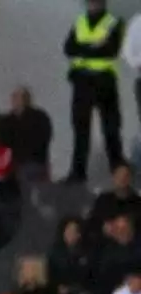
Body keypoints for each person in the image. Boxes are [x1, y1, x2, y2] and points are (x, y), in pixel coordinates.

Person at [64, 0, 125, 183]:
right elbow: (68, 48)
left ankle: (118, 171)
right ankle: (78, 173)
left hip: (104, 81)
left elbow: (110, 51)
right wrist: (94, 46)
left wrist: (84, 48)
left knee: (111, 129)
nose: (92, 5)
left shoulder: (113, 23)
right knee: (80, 130)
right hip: (82, 81)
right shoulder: (80, 21)